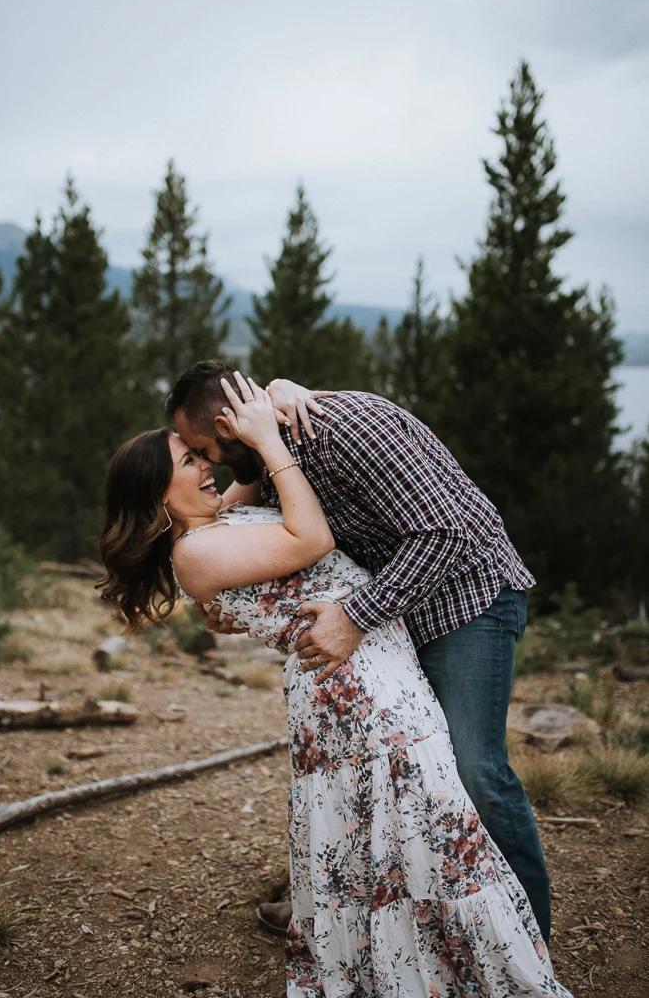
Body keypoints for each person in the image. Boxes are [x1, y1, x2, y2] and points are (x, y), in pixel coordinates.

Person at [99, 373, 573, 997]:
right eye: (193, 460)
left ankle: (521, 944)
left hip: (461, 602)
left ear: (225, 429)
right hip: (374, 645)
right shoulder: (257, 466)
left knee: (470, 776)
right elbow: (257, 549)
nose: (211, 465)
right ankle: (399, 946)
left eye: (200, 450)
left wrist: (283, 401)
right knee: (392, 806)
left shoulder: (343, 428)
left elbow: (446, 534)